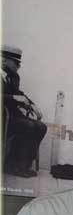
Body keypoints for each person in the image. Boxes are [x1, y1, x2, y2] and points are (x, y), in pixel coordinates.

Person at [2, 44, 47, 178]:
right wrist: (13, 97)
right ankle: (12, 165)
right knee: (27, 126)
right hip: (3, 117)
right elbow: (14, 96)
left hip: (12, 115)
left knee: (40, 126)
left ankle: (22, 165)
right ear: (4, 60)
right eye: (16, 63)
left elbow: (18, 93)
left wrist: (32, 105)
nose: (18, 67)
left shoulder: (14, 77)